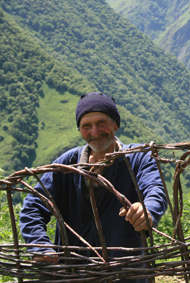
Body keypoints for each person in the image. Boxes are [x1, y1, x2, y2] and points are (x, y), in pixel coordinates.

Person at [20, 92, 168, 283]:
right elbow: (33, 205)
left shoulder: (139, 158)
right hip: (73, 273)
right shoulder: (66, 165)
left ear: (115, 124)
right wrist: (39, 245)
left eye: (101, 123)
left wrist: (148, 210)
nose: (95, 132)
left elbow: (156, 190)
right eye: (86, 126)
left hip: (125, 273)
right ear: (80, 130)